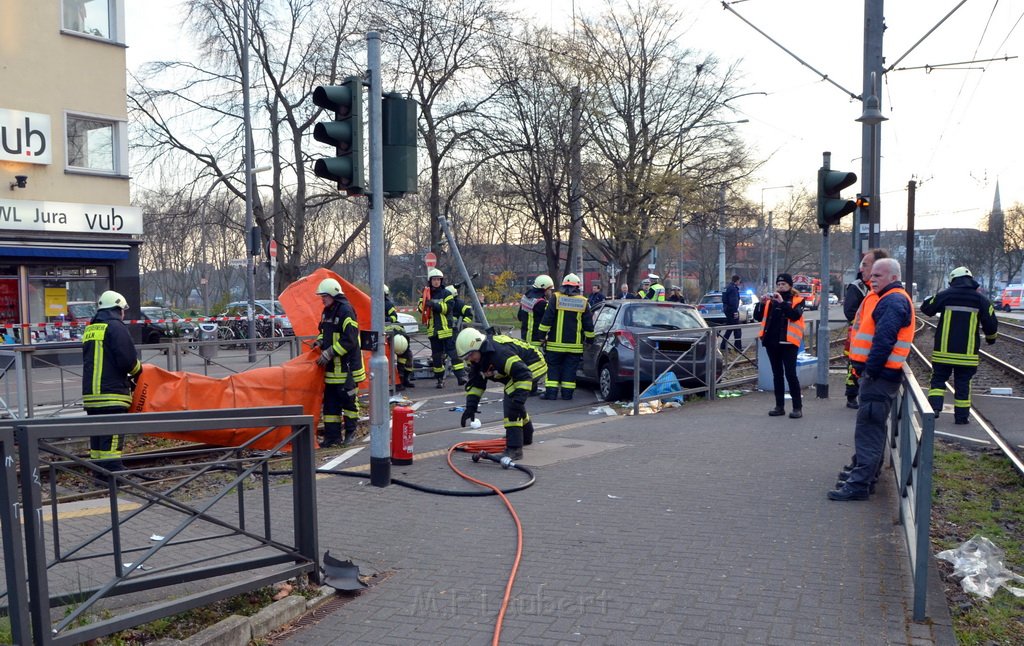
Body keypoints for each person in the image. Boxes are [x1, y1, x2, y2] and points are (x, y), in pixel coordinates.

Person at [830, 258, 914, 501]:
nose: (872, 279)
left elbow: (883, 340)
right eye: (872, 275)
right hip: (882, 375)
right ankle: (865, 478)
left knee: (868, 430)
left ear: (893, 277)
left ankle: (859, 485)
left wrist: (870, 372)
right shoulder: (893, 298)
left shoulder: (893, 300)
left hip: (879, 376)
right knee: (873, 429)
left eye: (878, 275)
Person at [920, 266, 998, 424]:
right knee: (963, 384)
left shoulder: (946, 295)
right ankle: (961, 418)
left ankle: (934, 408)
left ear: (952, 280)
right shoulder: (981, 300)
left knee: (938, 380)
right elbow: (991, 323)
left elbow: (926, 308)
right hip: (967, 355)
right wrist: (991, 339)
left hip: (943, 352)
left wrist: (937, 297)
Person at [82, 290, 142, 473]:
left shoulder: (91, 328)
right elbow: (127, 360)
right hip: (112, 394)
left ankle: (99, 474)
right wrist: (140, 371)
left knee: (98, 437)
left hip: (92, 395)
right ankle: (114, 474)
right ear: (117, 308)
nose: (123, 314)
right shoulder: (116, 327)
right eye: (122, 310)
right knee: (113, 438)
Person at [456, 328, 538, 462]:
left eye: (470, 355)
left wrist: (518, 402)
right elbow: (477, 384)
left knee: (512, 401)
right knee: (513, 400)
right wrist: (470, 407)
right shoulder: (479, 359)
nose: (470, 360)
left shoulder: (499, 353)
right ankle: (527, 435)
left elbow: (524, 374)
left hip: (532, 365)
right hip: (520, 371)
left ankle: (514, 449)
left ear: (478, 346)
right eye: (466, 358)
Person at [314, 278, 366, 447]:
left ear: (334, 295)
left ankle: (350, 434)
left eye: (324, 296)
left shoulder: (346, 311)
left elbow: (350, 340)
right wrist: (320, 342)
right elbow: (323, 332)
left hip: (347, 368)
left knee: (349, 403)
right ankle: (332, 437)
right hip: (331, 370)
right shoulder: (326, 312)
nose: (322, 300)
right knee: (330, 406)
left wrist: (330, 352)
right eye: (321, 296)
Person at [753, 273, 806, 419]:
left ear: (790, 285)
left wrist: (782, 302)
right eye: (779, 284)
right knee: (777, 375)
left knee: (791, 374)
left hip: (789, 343)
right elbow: (757, 316)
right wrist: (761, 303)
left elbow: (795, 315)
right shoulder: (771, 301)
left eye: (783, 284)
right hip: (772, 342)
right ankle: (779, 406)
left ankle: (797, 407)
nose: (781, 287)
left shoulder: (798, 300)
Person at [537, 273, 595, 400]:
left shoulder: (555, 298)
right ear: (577, 286)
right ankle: (567, 394)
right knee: (570, 369)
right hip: (574, 346)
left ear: (563, 285)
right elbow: (588, 325)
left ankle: (551, 394)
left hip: (555, 345)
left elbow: (547, 319)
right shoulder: (583, 301)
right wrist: (590, 340)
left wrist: (541, 336)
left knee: (553, 368)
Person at [843, 249, 888, 409]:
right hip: (859, 338)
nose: (861, 268)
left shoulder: (885, 290)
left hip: (875, 341)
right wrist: (867, 324)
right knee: (853, 367)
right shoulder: (858, 287)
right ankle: (851, 395)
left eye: (865, 265)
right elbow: (849, 311)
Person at [418, 268, 467, 388]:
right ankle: (439, 379)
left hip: (447, 330)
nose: (436, 282)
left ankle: (461, 377)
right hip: (433, 331)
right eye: (434, 279)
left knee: (454, 354)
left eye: (438, 279)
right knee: (436, 357)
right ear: (430, 281)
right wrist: (424, 304)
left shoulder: (446, 293)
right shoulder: (426, 294)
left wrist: (433, 304)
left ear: (441, 280)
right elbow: (421, 309)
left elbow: (448, 308)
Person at [384, 284, 414, 390]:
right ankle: (396, 381)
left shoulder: (388, 304)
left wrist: (387, 319)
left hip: (395, 333)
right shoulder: (373, 304)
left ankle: (404, 379)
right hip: (385, 336)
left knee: (407, 355)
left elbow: (393, 316)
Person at [518, 275, 553, 348]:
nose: (550, 292)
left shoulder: (525, 297)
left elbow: (520, 317)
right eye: (550, 289)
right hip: (536, 341)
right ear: (545, 289)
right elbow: (548, 322)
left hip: (524, 339)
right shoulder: (542, 303)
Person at [721, 274, 743, 351]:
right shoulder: (733, 289)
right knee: (737, 329)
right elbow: (734, 301)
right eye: (739, 281)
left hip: (727, 310)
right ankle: (738, 347)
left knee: (730, 328)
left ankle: (723, 345)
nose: (739, 283)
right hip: (732, 311)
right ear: (737, 281)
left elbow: (724, 299)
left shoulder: (726, 287)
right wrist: (735, 312)